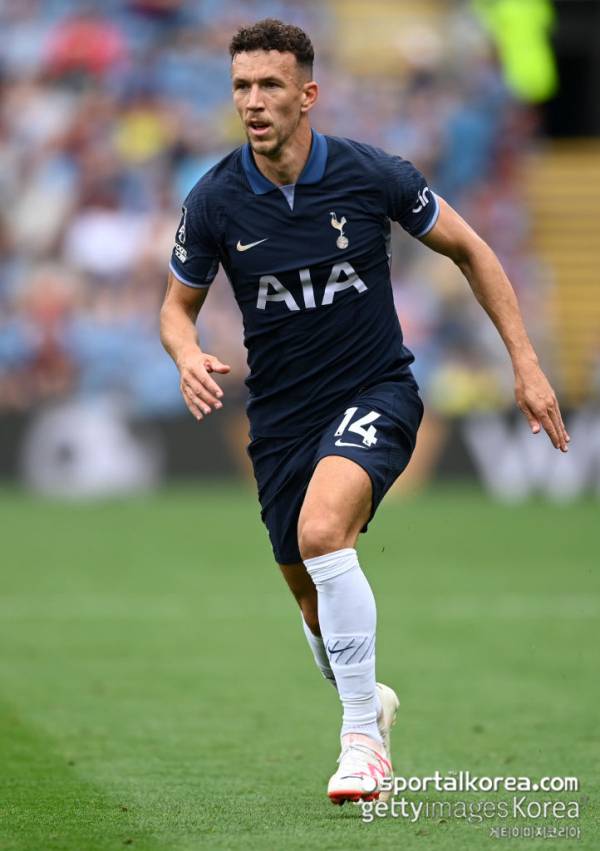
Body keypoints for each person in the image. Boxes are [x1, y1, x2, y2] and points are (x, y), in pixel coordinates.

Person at [160, 18, 569, 805]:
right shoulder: (214, 200)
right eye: (241, 86)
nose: (253, 101)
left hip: (375, 391)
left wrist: (524, 362)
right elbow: (177, 308)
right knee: (310, 598)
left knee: (324, 533)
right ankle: (368, 699)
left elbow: (473, 249)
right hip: (280, 422)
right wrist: (185, 353)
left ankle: (361, 744)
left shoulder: (371, 174)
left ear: (307, 94)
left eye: (270, 85)